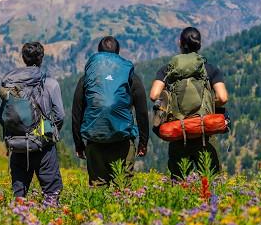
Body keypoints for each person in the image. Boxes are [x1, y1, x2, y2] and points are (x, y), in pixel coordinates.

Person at [149, 27, 228, 178]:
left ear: (180, 43)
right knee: (210, 181)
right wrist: (210, 104)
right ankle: (210, 201)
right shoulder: (209, 69)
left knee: (179, 182)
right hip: (204, 132)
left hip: (179, 131)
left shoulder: (168, 70)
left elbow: (154, 95)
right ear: (199, 45)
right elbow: (223, 98)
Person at [72, 36, 149, 187]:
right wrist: (143, 142)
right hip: (123, 141)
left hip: (95, 142)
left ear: (99, 53)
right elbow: (142, 112)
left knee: (97, 189)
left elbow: (77, 113)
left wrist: (78, 144)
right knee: (123, 189)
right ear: (118, 53)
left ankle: (97, 211)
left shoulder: (87, 78)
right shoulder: (130, 77)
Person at [0, 42, 65, 205]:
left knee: (19, 192)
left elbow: (2, 117)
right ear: (41, 58)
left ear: (23, 58)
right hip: (43, 145)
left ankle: (19, 222)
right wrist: (49, 130)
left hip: (18, 144)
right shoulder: (50, 83)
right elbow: (60, 115)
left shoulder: (12, 85)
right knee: (51, 191)